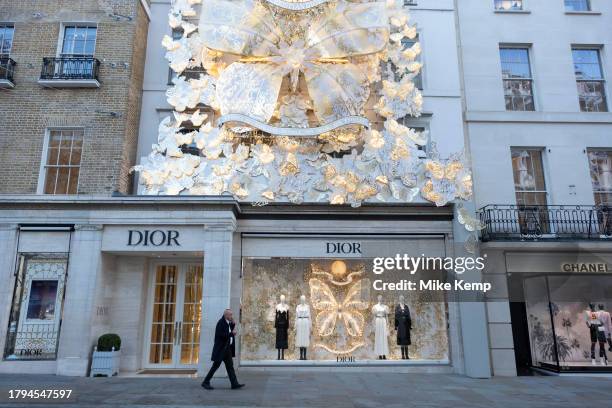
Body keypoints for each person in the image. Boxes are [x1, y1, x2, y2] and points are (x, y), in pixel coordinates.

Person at [201, 309, 245, 390]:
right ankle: (205, 382)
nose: (232, 316)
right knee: (215, 366)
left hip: (226, 349)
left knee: (230, 367)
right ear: (226, 315)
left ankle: (234, 384)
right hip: (221, 349)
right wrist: (232, 333)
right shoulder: (221, 323)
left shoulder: (227, 323)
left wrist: (233, 324)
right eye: (230, 315)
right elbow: (222, 335)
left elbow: (228, 330)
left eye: (232, 314)